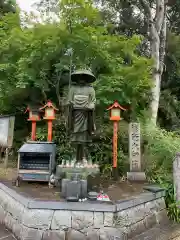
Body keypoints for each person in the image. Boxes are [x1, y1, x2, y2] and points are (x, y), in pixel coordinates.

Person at [66, 70, 96, 163]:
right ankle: (74, 157)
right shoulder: (73, 89)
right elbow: (69, 101)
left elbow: (93, 101)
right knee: (75, 136)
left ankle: (84, 157)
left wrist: (90, 106)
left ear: (86, 79)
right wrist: (72, 103)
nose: (81, 79)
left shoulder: (91, 89)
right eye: (80, 77)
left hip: (86, 115)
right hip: (75, 115)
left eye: (84, 78)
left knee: (84, 137)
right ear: (77, 79)